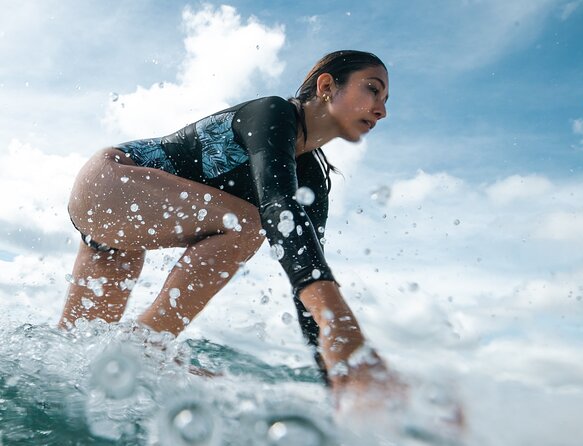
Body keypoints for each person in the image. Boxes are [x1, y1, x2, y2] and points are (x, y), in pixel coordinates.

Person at [58, 50, 395, 398]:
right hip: (112, 180)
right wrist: (340, 324)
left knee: (74, 360)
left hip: (119, 231)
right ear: (327, 85)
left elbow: (307, 277)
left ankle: (142, 350)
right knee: (249, 224)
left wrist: (338, 386)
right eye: (372, 89)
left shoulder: (311, 179)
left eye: (385, 100)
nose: (382, 110)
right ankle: (147, 344)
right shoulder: (274, 113)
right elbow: (278, 207)